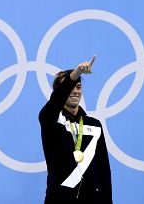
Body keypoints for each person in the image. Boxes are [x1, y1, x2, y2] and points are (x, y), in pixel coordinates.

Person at [39, 57, 113, 204]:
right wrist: (77, 72)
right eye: (71, 87)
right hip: (59, 198)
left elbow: (104, 170)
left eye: (78, 87)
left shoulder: (94, 125)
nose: (75, 91)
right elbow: (55, 100)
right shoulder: (50, 120)